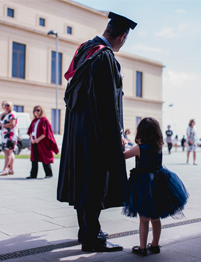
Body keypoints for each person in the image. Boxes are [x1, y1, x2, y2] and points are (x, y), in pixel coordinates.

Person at [57, 12, 137, 252]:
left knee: (85, 183)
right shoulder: (104, 57)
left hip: (78, 133)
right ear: (122, 37)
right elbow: (106, 104)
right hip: (96, 135)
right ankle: (93, 239)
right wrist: (118, 134)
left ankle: (87, 231)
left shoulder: (86, 50)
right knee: (94, 184)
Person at [123, 117, 189, 256]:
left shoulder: (139, 148)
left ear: (141, 133)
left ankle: (142, 248)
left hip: (143, 186)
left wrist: (121, 144)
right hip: (159, 184)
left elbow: (122, 156)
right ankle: (155, 245)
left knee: (143, 219)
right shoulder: (158, 147)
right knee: (155, 217)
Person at [26, 105, 59, 179]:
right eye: (35, 110)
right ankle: (33, 174)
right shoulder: (34, 121)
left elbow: (46, 133)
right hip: (34, 142)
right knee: (34, 158)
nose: (36, 112)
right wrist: (31, 139)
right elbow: (30, 131)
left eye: (38, 110)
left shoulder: (44, 120)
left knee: (45, 158)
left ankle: (49, 174)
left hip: (42, 142)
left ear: (41, 111)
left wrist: (38, 139)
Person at [0, 101, 18, 176]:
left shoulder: (12, 114)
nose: (6, 106)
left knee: (8, 152)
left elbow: (12, 124)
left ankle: (5, 169)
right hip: (5, 136)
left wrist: (3, 125)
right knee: (9, 152)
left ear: (11, 106)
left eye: (8, 105)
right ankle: (11, 169)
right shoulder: (4, 115)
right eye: (5, 105)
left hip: (10, 136)